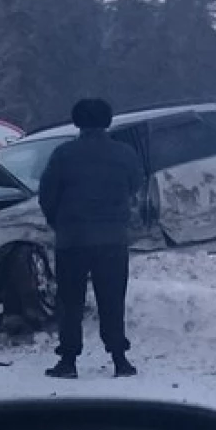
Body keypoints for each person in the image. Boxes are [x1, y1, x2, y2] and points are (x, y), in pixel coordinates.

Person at [38, 98, 143, 379]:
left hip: (72, 239)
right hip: (112, 240)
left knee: (70, 301)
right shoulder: (125, 154)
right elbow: (136, 186)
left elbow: (47, 195)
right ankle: (120, 360)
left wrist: (58, 222)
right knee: (112, 299)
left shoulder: (63, 155)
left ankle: (69, 361)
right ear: (107, 121)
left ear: (77, 121)